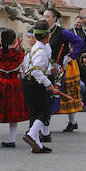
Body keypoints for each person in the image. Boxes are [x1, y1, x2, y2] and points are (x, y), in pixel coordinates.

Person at [0, 28, 27, 147]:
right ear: (14, 40)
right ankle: (11, 140)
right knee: (13, 112)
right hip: (14, 83)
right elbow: (25, 71)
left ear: (1, 40)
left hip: (0, 83)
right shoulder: (20, 55)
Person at [21, 22, 56, 154]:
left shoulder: (34, 47)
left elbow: (26, 66)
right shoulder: (42, 51)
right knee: (45, 111)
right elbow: (36, 71)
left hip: (28, 82)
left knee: (36, 112)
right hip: (35, 84)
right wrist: (49, 84)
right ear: (47, 36)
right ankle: (31, 134)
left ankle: (37, 145)